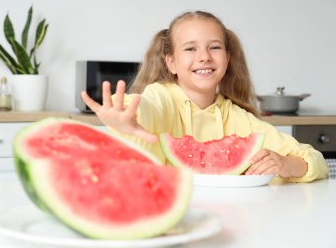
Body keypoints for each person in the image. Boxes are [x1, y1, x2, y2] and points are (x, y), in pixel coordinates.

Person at [82, 11, 328, 182]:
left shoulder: (237, 117)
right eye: (190, 48)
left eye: (215, 47)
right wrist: (125, 116)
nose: (204, 57)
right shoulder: (161, 97)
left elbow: (316, 160)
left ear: (227, 59)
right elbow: (145, 107)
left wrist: (288, 165)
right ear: (172, 62)